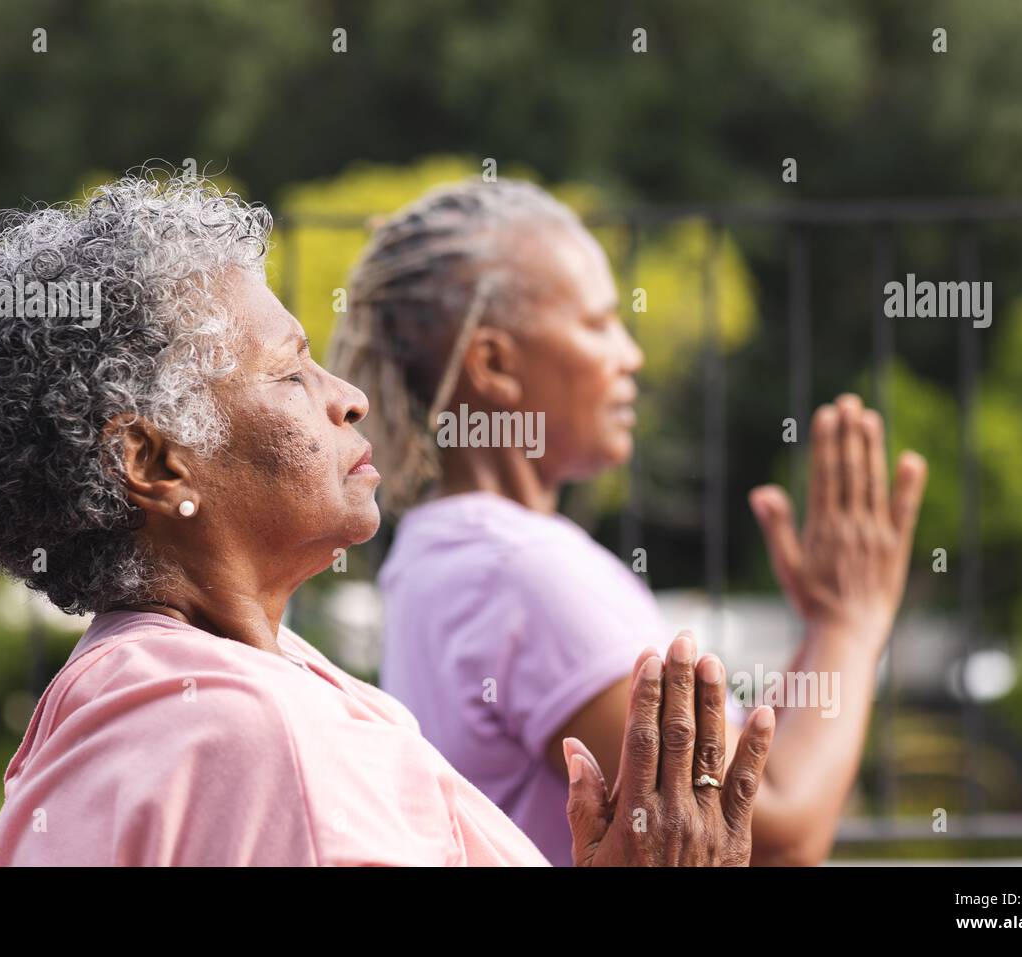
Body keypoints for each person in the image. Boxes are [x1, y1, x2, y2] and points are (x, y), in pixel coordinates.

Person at [0, 172, 775, 866]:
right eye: (291, 373)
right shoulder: (255, 736)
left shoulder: (155, 685)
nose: (349, 400)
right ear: (155, 461)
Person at [329, 178, 928, 866]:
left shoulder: (441, 551)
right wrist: (849, 624)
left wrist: (826, 627)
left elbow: (745, 782)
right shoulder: (525, 570)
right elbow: (775, 835)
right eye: (598, 323)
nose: (631, 354)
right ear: (494, 363)